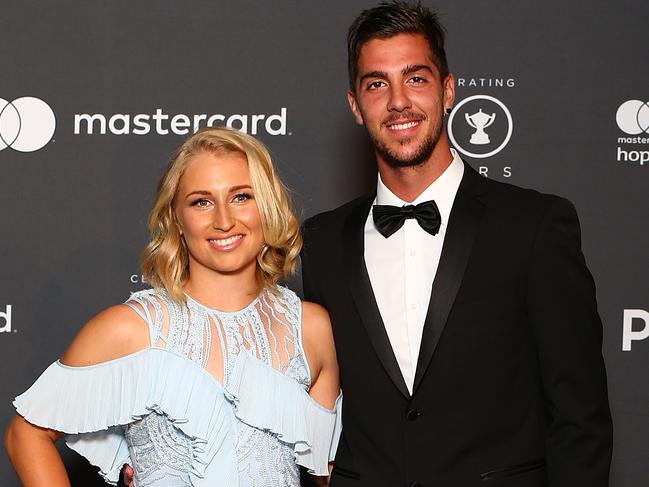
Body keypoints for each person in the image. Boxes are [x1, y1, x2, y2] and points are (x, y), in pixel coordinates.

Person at [300, 2, 612, 486]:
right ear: (355, 106)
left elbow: (580, 418)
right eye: (376, 84)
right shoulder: (321, 243)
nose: (398, 101)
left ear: (448, 91)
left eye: (416, 78)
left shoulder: (533, 226)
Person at [4, 127, 341, 487]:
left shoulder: (309, 328)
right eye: (201, 202)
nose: (224, 220)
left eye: (242, 196)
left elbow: (328, 473)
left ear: (268, 205)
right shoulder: (130, 329)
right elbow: (25, 435)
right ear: (177, 219)